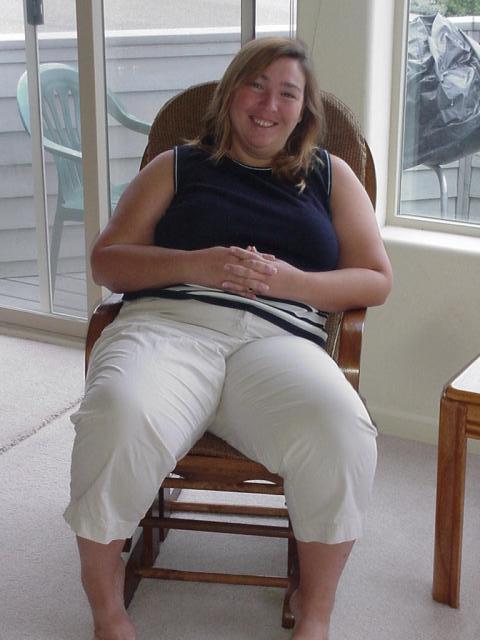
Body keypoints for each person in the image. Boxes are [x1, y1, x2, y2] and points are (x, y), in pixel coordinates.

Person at [64, 36, 392, 640]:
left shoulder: (330, 175)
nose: (268, 105)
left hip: (280, 341)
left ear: (304, 109)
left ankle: (315, 615)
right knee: (117, 413)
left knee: (342, 431)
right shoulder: (179, 165)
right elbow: (108, 260)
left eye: (287, 93)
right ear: (230, 93)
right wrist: (197, 264)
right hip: (168, 327)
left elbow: (375, 279)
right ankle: (107, 611)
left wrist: (294, 282)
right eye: (256, 86)